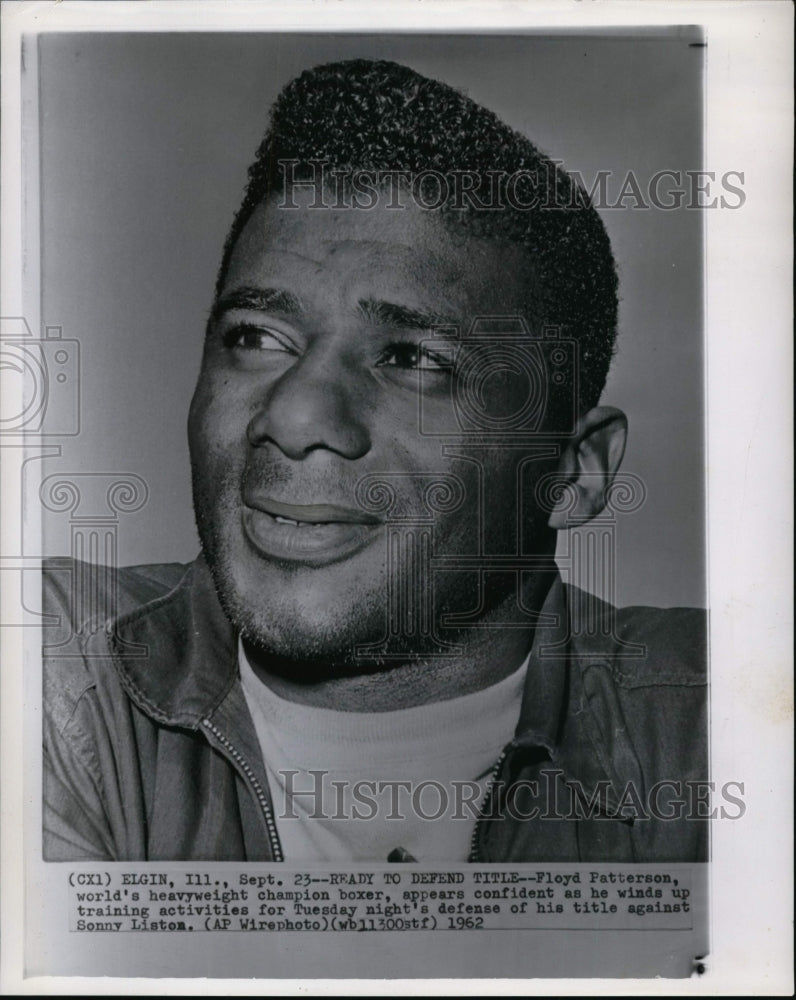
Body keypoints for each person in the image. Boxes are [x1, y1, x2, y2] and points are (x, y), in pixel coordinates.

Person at [43, 58, 707, 863]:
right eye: (256, 339)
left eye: (412, 359)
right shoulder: (56, 667)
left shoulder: (716, 720)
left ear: (572, 473)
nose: (292, 417)